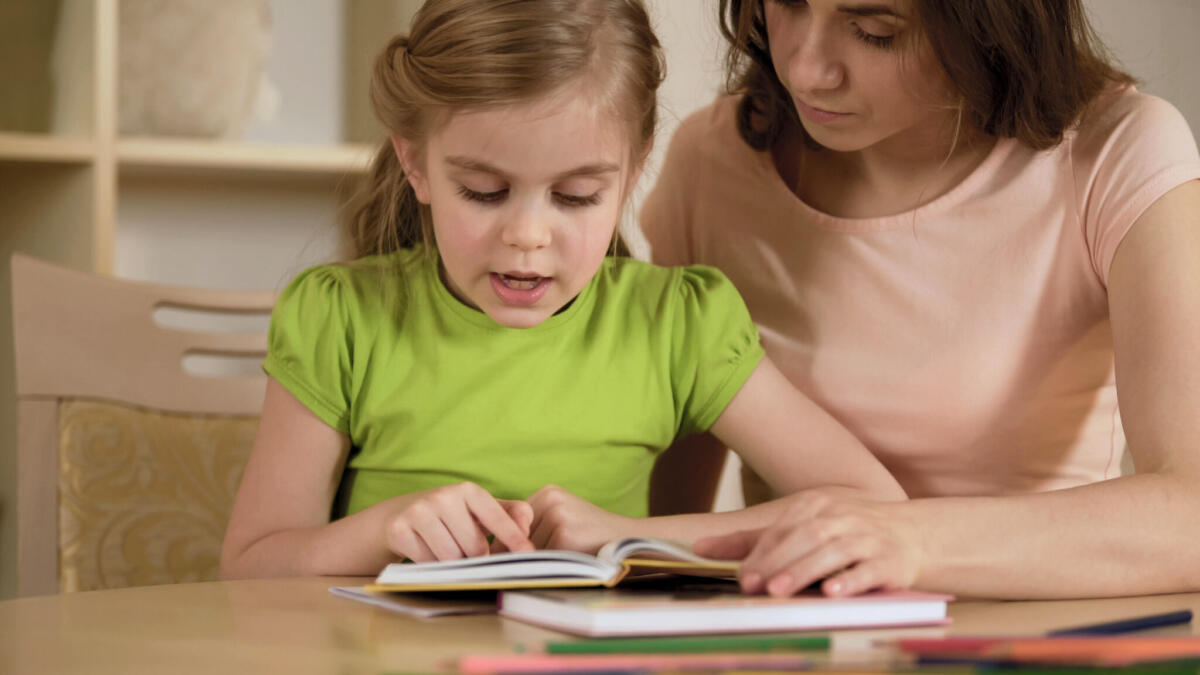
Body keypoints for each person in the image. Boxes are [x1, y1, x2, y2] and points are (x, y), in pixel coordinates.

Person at [219, 0, 905, 579]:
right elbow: (248, 564)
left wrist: (625, 536)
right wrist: (383, 530)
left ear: (631, 175)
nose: (527, 236)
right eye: (483, 191)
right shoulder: (341, 318)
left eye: (576, 196)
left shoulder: (676, 325)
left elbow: (871, 502)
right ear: (415, 164)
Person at [642, 0, 1200, 600]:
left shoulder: (1117, 153)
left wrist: (905, 540)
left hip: (1030, 641)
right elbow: (657, 534)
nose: (805, 69)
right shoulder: (714, 156)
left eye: (874, 33)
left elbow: (1189, 512)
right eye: (789, 4)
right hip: (803, 646)